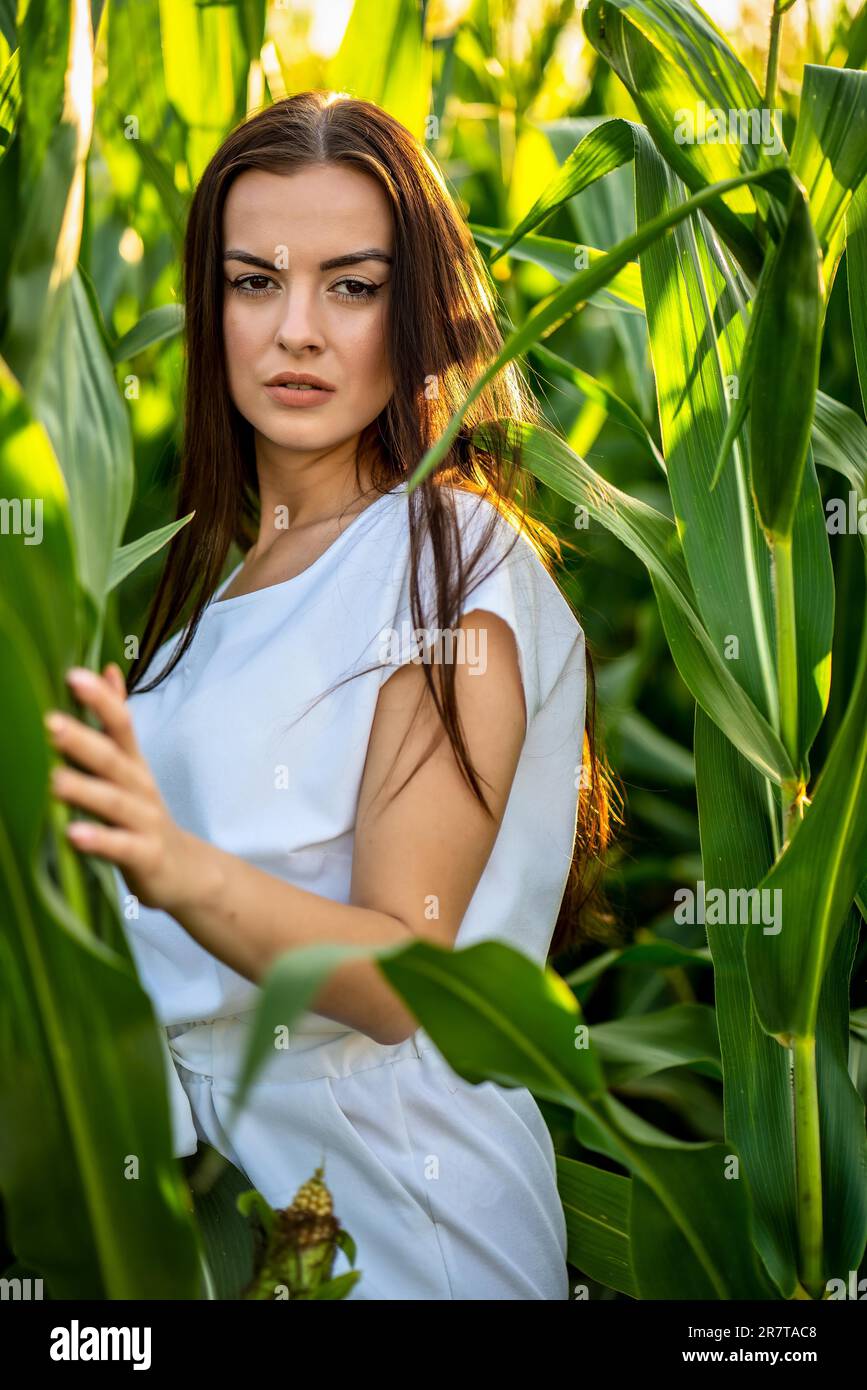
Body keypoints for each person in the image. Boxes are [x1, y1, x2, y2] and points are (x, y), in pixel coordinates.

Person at [46, 91, 614, 1300]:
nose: (296, 329)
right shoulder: (202, 597)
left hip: (400, 1221)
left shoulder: (451, 557)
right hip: (227, 1230)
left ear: (414, 317)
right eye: (256, 282)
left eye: (350, 286)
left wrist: (170, 862)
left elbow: (403, 972)